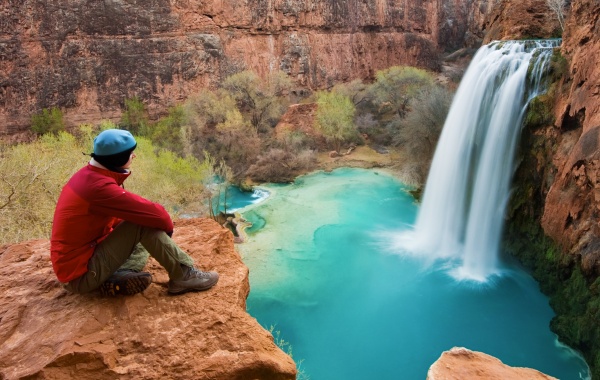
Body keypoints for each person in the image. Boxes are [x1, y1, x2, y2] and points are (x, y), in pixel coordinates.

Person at [50, 129, 219, 296]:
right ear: (117, 158)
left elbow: (116, 219)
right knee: (142, 223)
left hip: (82, 261)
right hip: (80, 275)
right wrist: (165, 232)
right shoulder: (98, 187)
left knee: (141, 229)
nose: (134, 156)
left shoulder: (89, 176)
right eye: (130, 153)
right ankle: (184, 275)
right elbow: (157, 215)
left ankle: (117, 277)